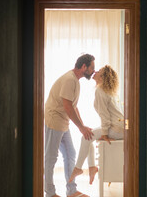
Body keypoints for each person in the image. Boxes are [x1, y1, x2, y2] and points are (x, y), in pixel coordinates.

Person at [44, 54, 96, 197]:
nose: (93, 71)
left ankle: (71, 191)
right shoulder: (69, 80)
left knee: (70, 153)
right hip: (54, 120)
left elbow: (73, 107)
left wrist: (83, 126)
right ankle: (50, 193)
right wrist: (81, 127)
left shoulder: (75, 81)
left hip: (63, 121)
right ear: (83, 67)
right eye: (92, 68)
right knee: (51, 157)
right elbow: (68, 107)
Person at [68, 65, 124, 185]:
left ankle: (79, 168)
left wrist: (104, 134)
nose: (96, 71)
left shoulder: (100, 90)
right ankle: (91, 168)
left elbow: (105, 116)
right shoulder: (109, 91)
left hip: (115, 128)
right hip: (120, 128)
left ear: (103, 77)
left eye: (99, 71)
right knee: (88, 137)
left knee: (85, 137)